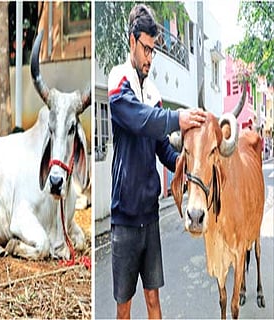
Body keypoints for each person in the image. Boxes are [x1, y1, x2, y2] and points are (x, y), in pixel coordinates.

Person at [107, 4, 207, 319]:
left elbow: (162, 147)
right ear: (132, 41)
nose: (150, 57)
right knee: (124, 308)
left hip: (149, 217)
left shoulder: (153, 92)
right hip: (124, 219)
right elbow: (141, 120)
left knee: (154, 302)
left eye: (154, 51)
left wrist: (188, 167)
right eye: (146, 48)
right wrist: (179, 117)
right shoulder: (118, 79)